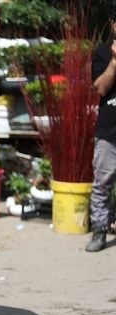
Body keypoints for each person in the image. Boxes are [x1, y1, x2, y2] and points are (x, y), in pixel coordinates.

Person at [86, 13, 116, 252]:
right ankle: (99, 230)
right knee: (103, 183)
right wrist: (115, 61)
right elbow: (100, 88)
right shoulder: (102, 53)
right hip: (109, 132)